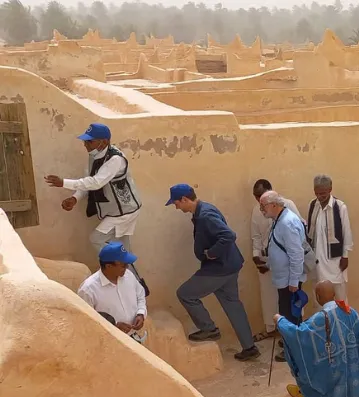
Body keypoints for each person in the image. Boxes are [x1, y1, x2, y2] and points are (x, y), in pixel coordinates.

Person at [167, 184, 259, 361]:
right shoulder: (205, 210)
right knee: (233, 306)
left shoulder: (205, 215)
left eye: (176, 203)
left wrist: (211, 253)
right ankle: (250, 347)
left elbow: (228, 235)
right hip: (229, 266)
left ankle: (209, 329)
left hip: (218, 269)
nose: (176, 207)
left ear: (185, 199)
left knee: (185, 294)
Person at [44, 123, 143, 279]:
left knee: (97, 239)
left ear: (103, 142)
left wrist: (63, 183)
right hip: (116, 211)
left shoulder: (115, 159)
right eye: (85, 141)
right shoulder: (94, 156)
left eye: (89, 141)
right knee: (123, 250)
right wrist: (75, 198)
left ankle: (121, 274)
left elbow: (96, 182)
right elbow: (89, 181)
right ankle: (136, 285)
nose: (85, 145)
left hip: (124, 211)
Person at [250, 179, 302, 341]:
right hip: (270, 262)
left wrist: (294, 279)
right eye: (257, 198)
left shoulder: (287, 214)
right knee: (272, 299)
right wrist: (258, 257)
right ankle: (274, 329)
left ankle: (292, 338)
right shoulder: (264, 213)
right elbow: (256, 236)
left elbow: (296, 249)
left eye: (262, 202)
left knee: (289, 306)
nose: (260, 205)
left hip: (288, 269)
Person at [259, 190, 308, 361]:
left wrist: (294, 280)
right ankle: (290, 342)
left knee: (291, 315)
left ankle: (294, 350)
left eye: (263, 206)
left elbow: (296, 254)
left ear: (274, 205)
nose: (261, 210)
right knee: (286, 313)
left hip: (290, 279)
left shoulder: (287, 222)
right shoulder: (278, 220)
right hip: (284, 278)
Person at [78, 242, 146, 339]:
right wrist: (113, 327)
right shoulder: (88, 290)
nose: (127, 268)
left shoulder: (129, 276)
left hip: (133, 340)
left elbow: (140, 295)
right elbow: (85, 322)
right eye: (123, 265)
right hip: (109, 343)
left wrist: (141, 313)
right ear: (109, 266)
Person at [306, 175, 353, 306]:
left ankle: (343, 322)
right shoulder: (313, 205)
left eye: (323, 193)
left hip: (335, 260)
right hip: (317, 258)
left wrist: (345, 256)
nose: (320, 196)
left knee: (339, 294)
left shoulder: (340, 206)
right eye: (317, 193)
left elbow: (346, 233)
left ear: (330, 189)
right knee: (319, 294)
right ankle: (323, 323)